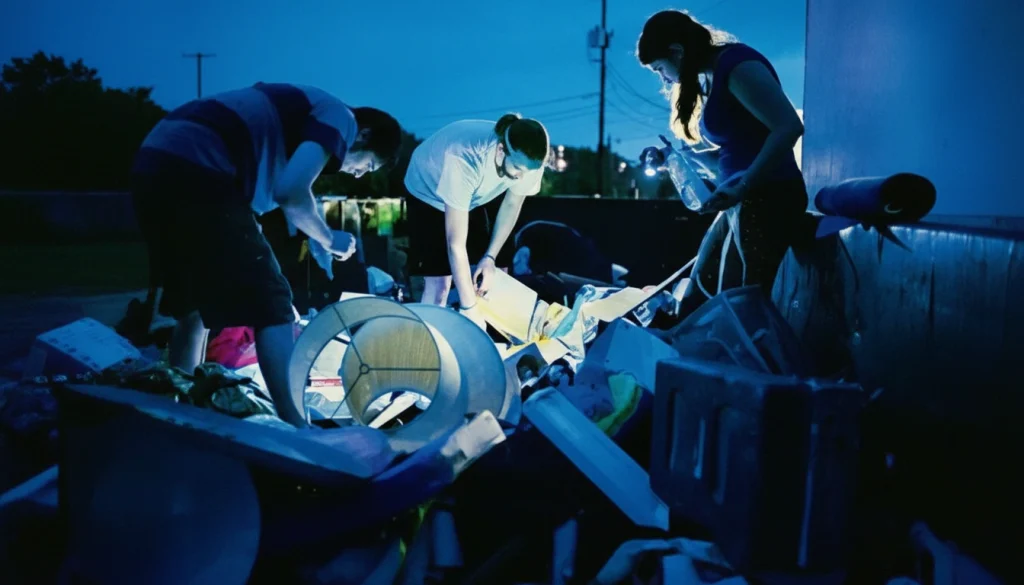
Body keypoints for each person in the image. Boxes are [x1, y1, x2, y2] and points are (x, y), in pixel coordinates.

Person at [131, 82, 402, 427]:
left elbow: (249, 212)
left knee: (195, 309)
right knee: (273, 305)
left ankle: (184, 413)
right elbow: (291, 194)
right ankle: (298, 428)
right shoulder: (341, 118)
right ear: (362, 135)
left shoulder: (283, 138)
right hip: (197, 168)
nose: (358, 174)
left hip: (155, 166)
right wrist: (329, 239)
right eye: (367, 166)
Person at [636, 9, 806, 322]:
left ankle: (749, 367)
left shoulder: (738, 67)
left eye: (661, 68)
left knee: (743, 304)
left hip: (768, 197)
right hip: (742, 199)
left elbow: (788, 127)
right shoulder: (714, 74)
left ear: (677, 52)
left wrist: (743, 185)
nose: (663, 78)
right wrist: (675, 159)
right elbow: (732, 154)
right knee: (704, 293)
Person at [403, 114, 550, 328]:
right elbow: (455, 244)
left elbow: (512, 204)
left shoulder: (529, 160)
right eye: (518, 169)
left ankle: (493, 342)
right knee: (440, 283)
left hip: (478, 190)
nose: (521, 177)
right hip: (428, 188)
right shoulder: (465, 157)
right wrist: (469, 308)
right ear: (501, 151)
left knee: (495, 272)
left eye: (528, 172)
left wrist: (490, 257)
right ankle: (430, 347)